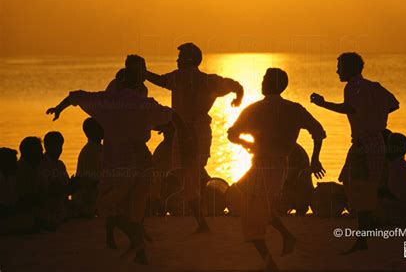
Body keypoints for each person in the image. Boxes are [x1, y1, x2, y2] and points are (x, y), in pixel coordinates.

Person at [46, 65, 190, 264]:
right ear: (138, 83)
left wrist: (59, 108)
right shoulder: (143, 102)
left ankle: (137, 242)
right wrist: (183, 133)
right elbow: (172, 115)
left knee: (107, 206)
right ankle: (140, 251)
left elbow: (76, 96)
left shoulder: (108, 100)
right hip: (142, 159)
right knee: (135, 209)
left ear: (120, 82)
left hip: (120, 161)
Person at [228, 68, 326, 270]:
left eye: (264, 79)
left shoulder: (255, 109)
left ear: (270, 84)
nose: (262, 82)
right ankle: (287, 236)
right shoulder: (295, 109)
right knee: (258, 206)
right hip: (280, 166)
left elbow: (232, 133)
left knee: (250, 216)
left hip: (263, 166)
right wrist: (315, 159)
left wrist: (246, 144)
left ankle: (270, 262)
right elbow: (319, 132)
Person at [146, 42, 244, 232]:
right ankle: (207, 209)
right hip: (201, 131)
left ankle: (203, 219)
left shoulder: (179, 77)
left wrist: (144, 74)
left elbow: (160, 80)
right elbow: (237, 86)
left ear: (188, 59)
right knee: (193, 172)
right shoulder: (210, 81)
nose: (177, 60)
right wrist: (238, 98)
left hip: (185, 133)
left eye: (180, 57)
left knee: (187, 175)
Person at [310, 52, 399, 253]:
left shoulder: (353, 86)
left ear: (350, 68)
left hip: (364, 144)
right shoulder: (374, 87)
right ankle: (369, 223)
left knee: (359, 187)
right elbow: (394, 104)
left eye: (340, 67)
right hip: (376, 140)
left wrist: (323, 104)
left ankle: (363, 237)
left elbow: (349, 108)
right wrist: (376, 118)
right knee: (357, 183)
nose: (337, 71)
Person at [377, 133, 406, 225]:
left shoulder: (397, 167)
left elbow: (393, 196)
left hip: (401, 216)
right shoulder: (400, 165)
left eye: (387, 144)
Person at [36, 131, 71, 230]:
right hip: (48, 210)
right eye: (56, 146)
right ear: (47, 146)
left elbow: (66, 187)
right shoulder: (42, 164)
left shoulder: (60, 165)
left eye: (60, 146)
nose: (59, 150)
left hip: (61, 209)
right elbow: (45, 190)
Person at [72, 118, 104, 218]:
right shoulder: (89, 152)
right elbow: (92, 181)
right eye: (100, 127)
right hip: (88, 197)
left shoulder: (100, 149)